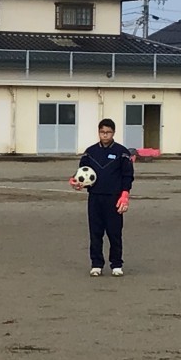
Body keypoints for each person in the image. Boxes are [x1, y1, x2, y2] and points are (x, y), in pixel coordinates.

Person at [69, 118, 134, 277]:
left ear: (113, 133)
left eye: (108, 132)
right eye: (102, 132)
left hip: (114, 198)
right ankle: (96, 264)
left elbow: (127, 175)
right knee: (95, 233)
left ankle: (116, 264)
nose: (105, 135)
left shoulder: (122, 152)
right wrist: (75, 181)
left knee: (114, 233)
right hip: (95, 197)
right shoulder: (90, 152)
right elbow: (82, 172)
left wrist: (125, 194)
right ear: (98, 132)